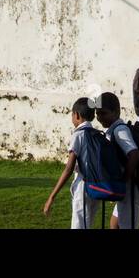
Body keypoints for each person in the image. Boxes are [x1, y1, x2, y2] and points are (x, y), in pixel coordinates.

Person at [43, 97, 100, 229]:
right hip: (97, 186)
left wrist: (51, 197)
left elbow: (69, 168)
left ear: (77, 115)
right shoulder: (97, 134)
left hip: (83, 186)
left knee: (79, 226)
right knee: (87, 224)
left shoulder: (78, 135)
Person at [94, 93, 139, 230]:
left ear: (116, 112)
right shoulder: (113, 130)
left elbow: (134, 155)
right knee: (114, 225)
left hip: (131, 189)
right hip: (125, 189)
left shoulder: (120, 131)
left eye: (103, 113)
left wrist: (122, 182)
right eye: (97, 113)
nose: (99, 117)